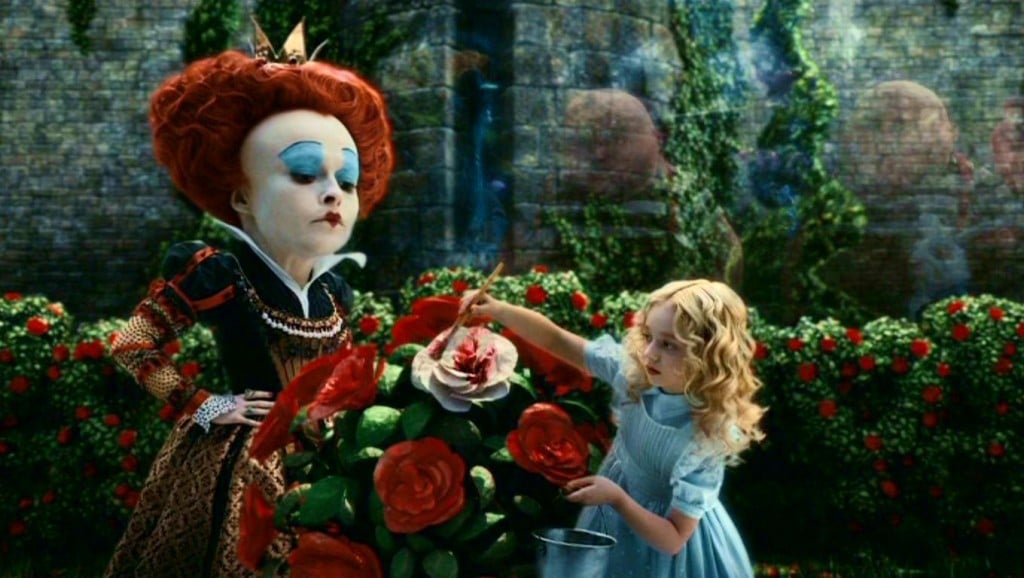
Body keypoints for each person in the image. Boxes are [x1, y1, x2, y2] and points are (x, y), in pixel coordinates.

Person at [105, 21, 395, 578]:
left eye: (348, 180)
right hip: (241, 463)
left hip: (327, 463)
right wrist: (206, 404)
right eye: (305, 173)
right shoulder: (217, 273)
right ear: (240, 195)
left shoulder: (335, 292)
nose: (332, 194)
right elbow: (133, 344)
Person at [461, 279, 764, 578]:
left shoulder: (704, 436)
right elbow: (557, 340)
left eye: (668, 344)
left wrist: (617, 498)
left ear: (707, 356)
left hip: (670, 551)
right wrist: (498, 309)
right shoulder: (637, 374)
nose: (650, 353)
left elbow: (673, 540)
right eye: (649, 336)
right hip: (613, 511)